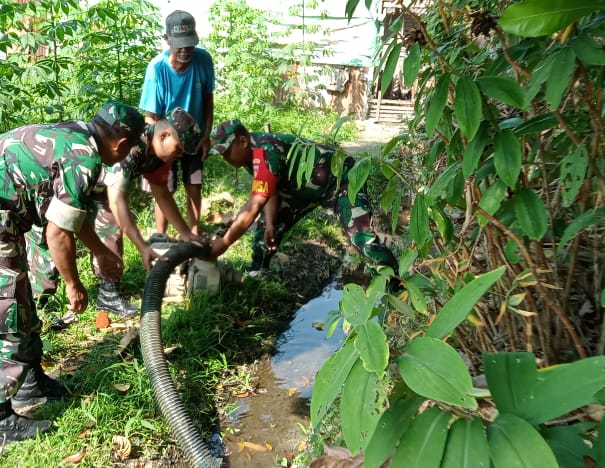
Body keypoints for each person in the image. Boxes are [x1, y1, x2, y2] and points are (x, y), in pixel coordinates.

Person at [0, 101, 145, 446]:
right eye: (131, 149)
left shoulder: (77, 137)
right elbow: (58, 234)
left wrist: (100, 251)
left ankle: (30, 383)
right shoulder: (83, 156)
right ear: (122, 144)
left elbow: (71, 213)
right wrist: (74, 284)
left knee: (20, 299)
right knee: (2, 311)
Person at [26, 108, 203, 319]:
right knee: (50, 233)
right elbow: (117, 200)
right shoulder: (132, 143)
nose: (180, 155)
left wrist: (186, 233)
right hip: (74, 180)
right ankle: (40, 302)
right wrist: (142, 246)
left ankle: (108, 292)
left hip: (97, 187)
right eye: (179, 148)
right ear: (164, 135)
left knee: (107, 222)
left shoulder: (157, 156)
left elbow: (162, 193)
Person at [206, 119, 398, 274]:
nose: (225, 159)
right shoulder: (250, 155)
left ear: (242, 141)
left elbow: (255, 203)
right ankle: (257, 275)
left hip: (342, 182)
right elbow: (270, 190)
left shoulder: (265, 152)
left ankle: (395, 285)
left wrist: (224, 243)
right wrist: (271, 223)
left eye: (226, 152)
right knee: (264, 234)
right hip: (300, 190)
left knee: (362, 240)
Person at [139, 10, 215, 238]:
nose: (185, 50)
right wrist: (161, 149)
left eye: (189, 45)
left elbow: (208, 100)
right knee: (164, 186)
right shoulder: (157, 69)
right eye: (179, 45)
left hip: (195, 135)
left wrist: (206, 135)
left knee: (194, 183)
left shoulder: (203, 60)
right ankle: (160, 234)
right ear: (167, 39)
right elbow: (150, 116)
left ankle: (193, 231)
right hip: (165, 138)